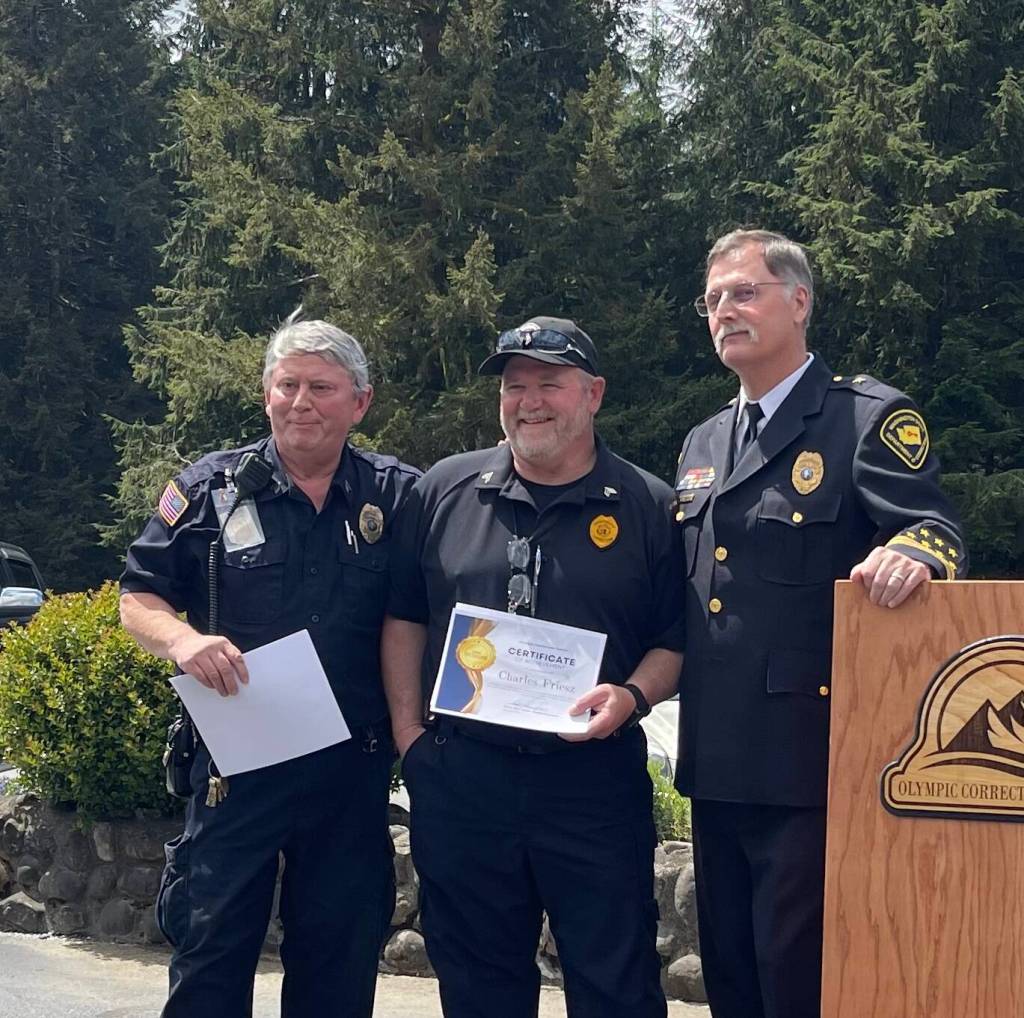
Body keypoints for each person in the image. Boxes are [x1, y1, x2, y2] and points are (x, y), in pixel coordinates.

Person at [674, 229, 968, 1018]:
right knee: (731, 978)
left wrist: (913, 557)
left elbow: (933, 529)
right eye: (712, 302)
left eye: (744, 293)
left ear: (799, 303)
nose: (724, 312)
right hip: (716, 761)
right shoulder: (702, 442)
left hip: (811, 763)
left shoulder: (865, 419)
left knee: (797, 979)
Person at [382, 316, 685, 1018]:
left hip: (591, 781)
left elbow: (675, 641)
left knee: (616, 984)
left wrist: (634, 696)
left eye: (550, 383)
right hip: (464, 780)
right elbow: (402, 618)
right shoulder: (442, 492)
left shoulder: (648, 505)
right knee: (478, 986)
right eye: (515, 387)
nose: (530, 401)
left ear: (594, 395)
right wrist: (409, 739)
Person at [119, 313, 419, 1018]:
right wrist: (181, 642)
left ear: (360, 402)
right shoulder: (208, 490)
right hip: (235, 770)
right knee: (211, 957)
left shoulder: (399, 497)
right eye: (286, 385)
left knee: (338, 965)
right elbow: (138, 596)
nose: (300, 402)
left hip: (350, 769)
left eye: (321, 386)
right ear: (265, 395)